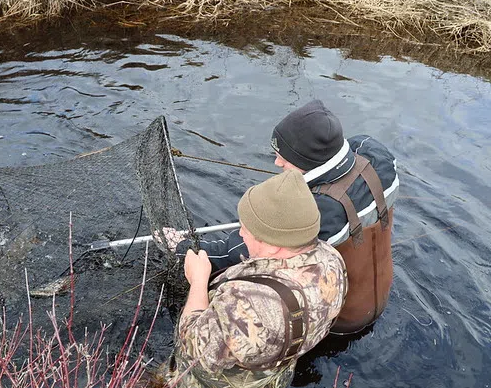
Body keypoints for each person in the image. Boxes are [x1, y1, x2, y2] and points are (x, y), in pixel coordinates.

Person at [169, 99, 398, 334]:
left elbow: (237, 251)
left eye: (286, 159)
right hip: (379, 291)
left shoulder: (318, 212)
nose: (277, 163)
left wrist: (183, 247)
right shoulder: (375, 153)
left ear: (311, 160)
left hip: (341, 318)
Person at [167, 170, 347, 388]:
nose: (241, 233)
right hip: (274, 384)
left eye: (247, 229)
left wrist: (197, 280)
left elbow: (192, 350)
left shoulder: (243, 301)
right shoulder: (332, 261)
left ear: (274, 244)